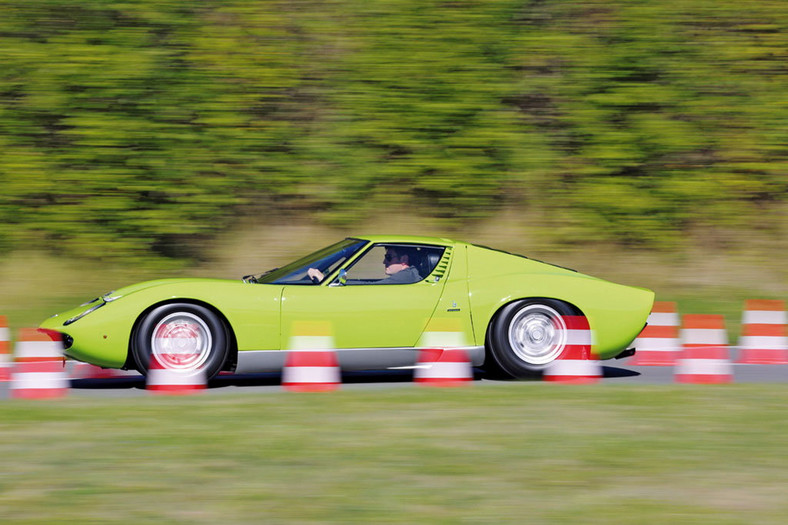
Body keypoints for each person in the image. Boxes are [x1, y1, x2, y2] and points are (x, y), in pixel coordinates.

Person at [307, 246, 422, 284]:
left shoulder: (406, 276)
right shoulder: (408, 275)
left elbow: (371, 287)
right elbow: (370, 284)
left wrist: (329, 280)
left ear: (404, 259)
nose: (384, 262)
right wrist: (338, 280)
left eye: (388, 257)